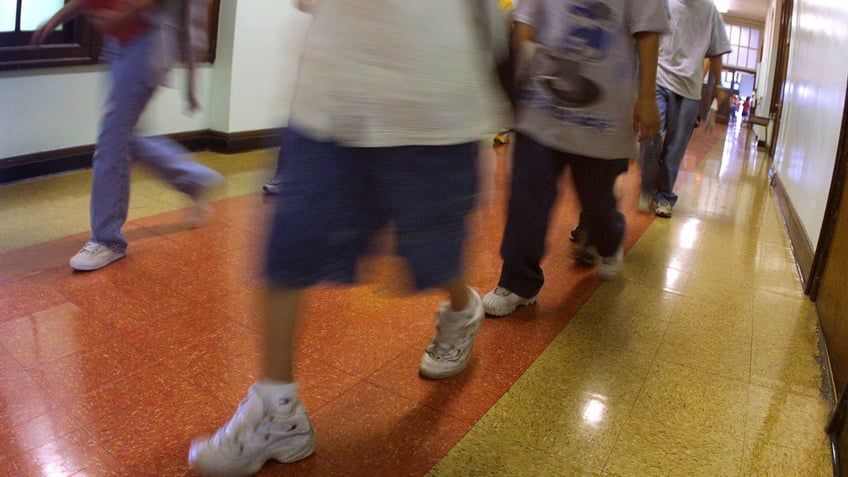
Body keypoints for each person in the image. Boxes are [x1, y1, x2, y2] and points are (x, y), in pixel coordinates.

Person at [187, 1, 509, 475]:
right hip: (333, 97)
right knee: (288, 249)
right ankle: (278, 410)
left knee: (433, 258)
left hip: (434, 102)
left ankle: (463, 308)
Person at [480, 0, 667, 317]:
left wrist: (647, 97)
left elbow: (648, 30)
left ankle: (609, 241)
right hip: (540, 102)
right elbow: (526, 21)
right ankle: (518, 281)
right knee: (527, 196)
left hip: (603, 113)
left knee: (596, 203)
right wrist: (514, 84)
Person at [32, 0, 224, 271]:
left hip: (147, 38)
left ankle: (108, 240)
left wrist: (126, 12)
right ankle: (194, 178)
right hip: (118, 39)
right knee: (124, 136)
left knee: (112, 138)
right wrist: (56, 19)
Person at [638, 0, 731, 219]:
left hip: (690, 89)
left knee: (675, 148)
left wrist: (718, 85)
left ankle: (664, 196)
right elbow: (646, 39)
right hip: (659, 80)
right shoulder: (664, 3)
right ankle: (647, 187)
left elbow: (716, 52)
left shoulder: (710, 11)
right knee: (650, 138)